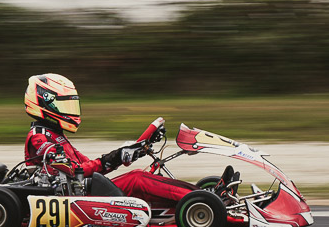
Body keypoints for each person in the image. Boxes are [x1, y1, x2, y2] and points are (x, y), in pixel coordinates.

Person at [23, 73, 201, 208]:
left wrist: (127, 153)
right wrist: (112, 158)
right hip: (78, 199)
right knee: (137, 179)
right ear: (46, 103)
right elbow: (73, 171)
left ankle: (202, 194)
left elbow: (88, 164)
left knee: (142, 176)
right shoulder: (40, 138)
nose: (70, 111)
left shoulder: (55, 135)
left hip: (86, 190)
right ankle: (198, 201)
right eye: (64, 105)